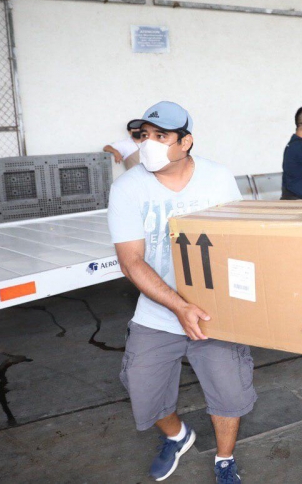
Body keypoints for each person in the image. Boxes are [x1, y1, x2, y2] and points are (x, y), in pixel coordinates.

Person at [107, 101, 256, 483]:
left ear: (185, 142)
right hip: (158, 312)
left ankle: (224, 459)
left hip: (215, 311)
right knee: (142, 386)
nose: (148, 144)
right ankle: (177, 435)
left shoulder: (218, 178)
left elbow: (238, 243)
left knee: (228, 392)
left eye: (161, 136)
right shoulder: (128, 187)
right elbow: (131, 262)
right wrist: (178, 306)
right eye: (143, 136)